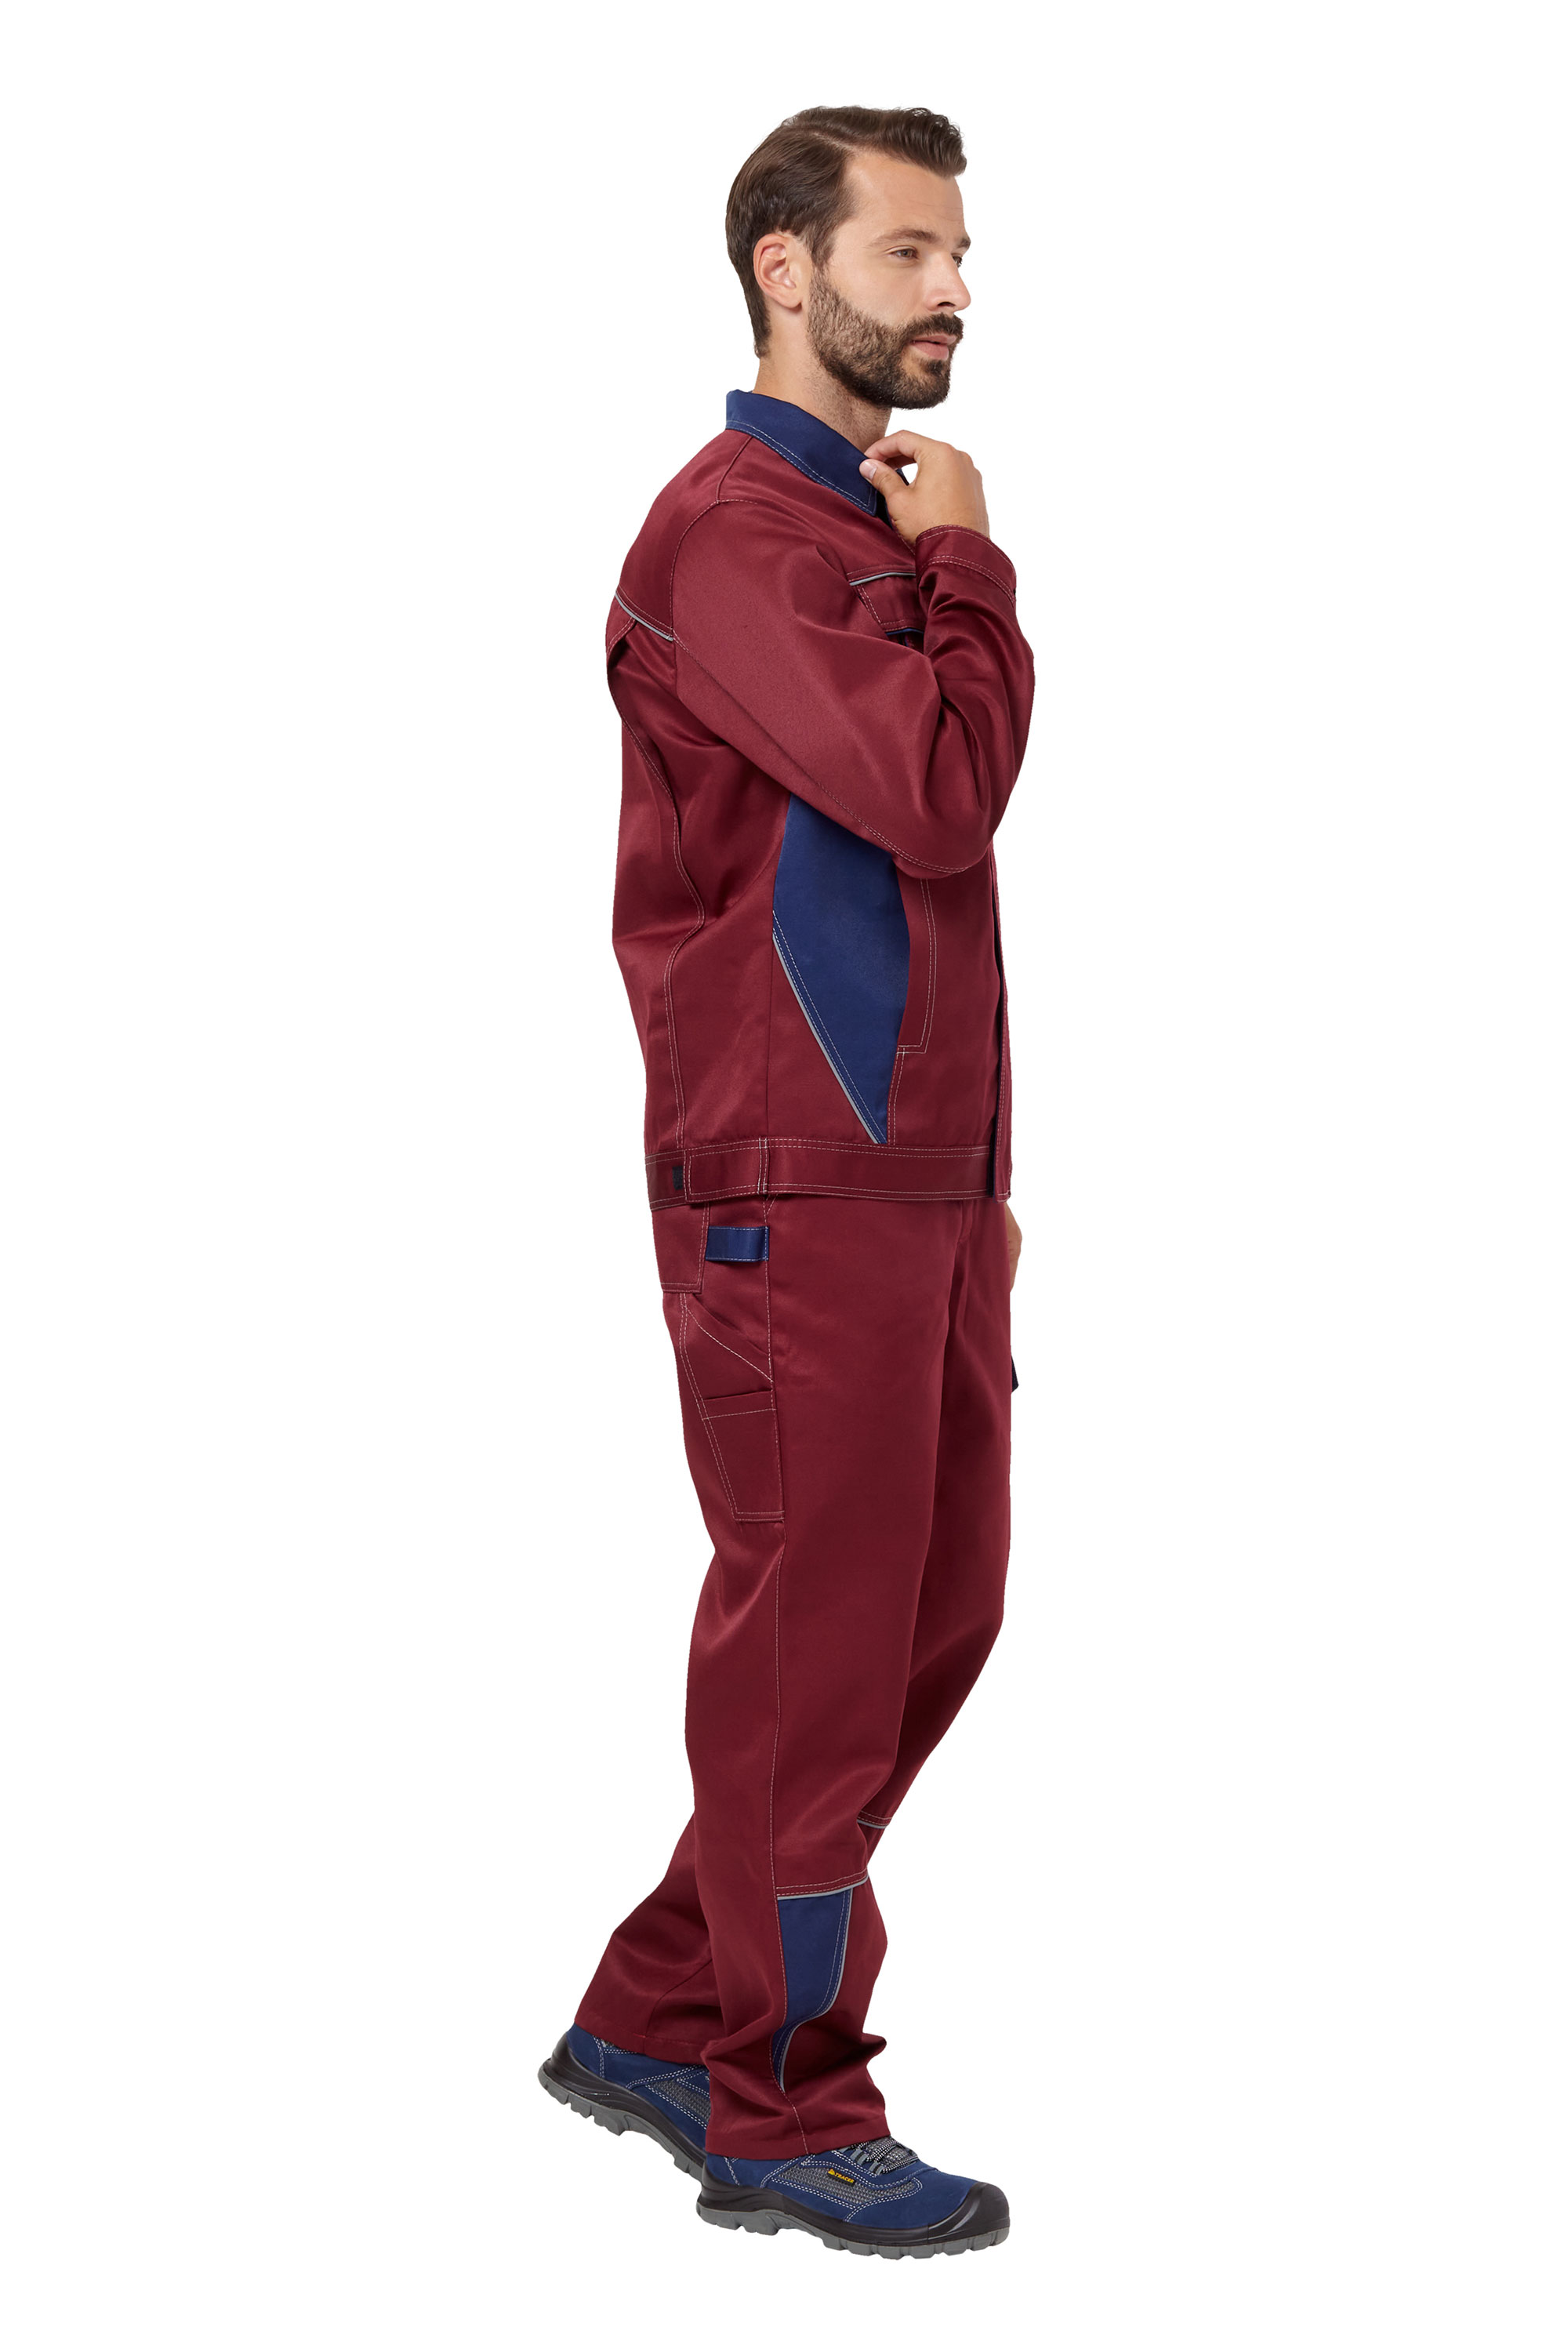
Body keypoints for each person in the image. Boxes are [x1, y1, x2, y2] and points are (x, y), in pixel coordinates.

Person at [539, 105, 1033, 2259]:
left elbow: (911, 881)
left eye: (958, 253)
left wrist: (979, 1185)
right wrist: (975, 571)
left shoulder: (852, 525)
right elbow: (935, 790)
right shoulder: (734, 537)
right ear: (784, 268)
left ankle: (666, 2006)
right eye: (910, 250)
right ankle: (783, 2103)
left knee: (930, 1611)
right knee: (817, 1646)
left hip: (917, 1184)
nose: (953, 289)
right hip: (792, 1188)